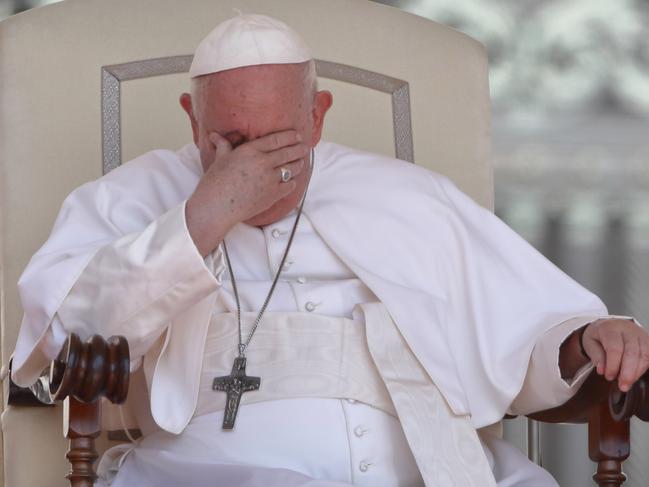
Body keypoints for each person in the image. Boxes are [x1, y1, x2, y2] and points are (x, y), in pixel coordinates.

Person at [10, 13, 649, 487]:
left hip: (431, 468)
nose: (258, 169)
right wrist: (205, 213)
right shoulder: (129, 196)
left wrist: (588, 338)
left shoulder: (410, 197)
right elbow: (58, 337)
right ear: (191, 119)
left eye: (282, 141)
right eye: (229, 142)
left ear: (317, 116)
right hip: (213, 470)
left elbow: (527, 327)